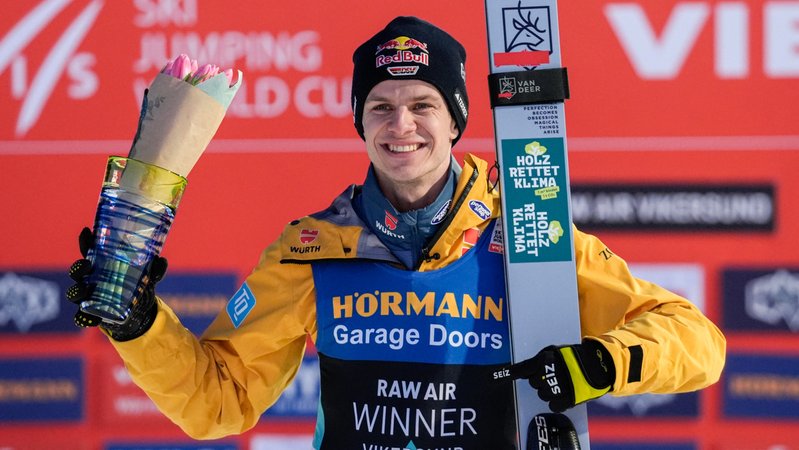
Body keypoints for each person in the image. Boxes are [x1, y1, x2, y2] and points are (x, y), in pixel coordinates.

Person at [66, 16, 726, 449]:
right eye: (380, 106)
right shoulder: (313, 251)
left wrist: (599, 364)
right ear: (359, 122)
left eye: (422, 105)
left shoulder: (525, 232)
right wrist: (139, 324)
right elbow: (218, 402)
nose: (400, 124)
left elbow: (698, 342)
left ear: (455, 121)